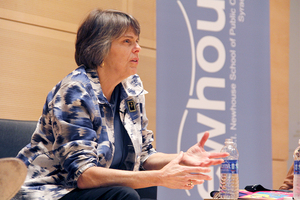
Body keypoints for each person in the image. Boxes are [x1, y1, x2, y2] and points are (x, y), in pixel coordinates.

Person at [15, 9, 229, 200]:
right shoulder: (75, 91)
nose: (138, 48)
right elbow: (84, 175)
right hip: (50, 191)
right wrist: (160, 177)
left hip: (88, 190)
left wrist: (181, 158)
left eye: (137, 41)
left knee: (147, 187)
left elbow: (144, 154)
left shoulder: (131, 88)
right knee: (127, 192)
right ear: (100, 49)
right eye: (127, 41)